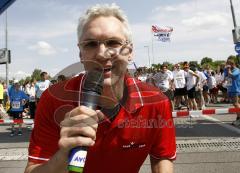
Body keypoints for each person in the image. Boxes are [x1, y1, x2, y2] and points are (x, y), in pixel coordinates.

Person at [25, 4, 176, 173]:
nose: (102, 54)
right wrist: (64, 154)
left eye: (113, 42)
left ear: (130, 51)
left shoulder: (157, 101)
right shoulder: (53, 99)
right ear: (81, 53)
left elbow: (162, 158)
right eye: (90, 44)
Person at [223, 57, 240, 126]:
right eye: (227, 64)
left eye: (229, 64)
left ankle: (239, 118)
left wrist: (229, 69)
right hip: (230, 89)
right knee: (234, 104)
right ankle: (238, 117)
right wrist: (226, 69)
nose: (227, 66)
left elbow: (232, 75)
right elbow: (225, 77)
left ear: (233, 64)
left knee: (236, 104)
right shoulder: (227, 69)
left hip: (235, 89)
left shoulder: (237, 70)